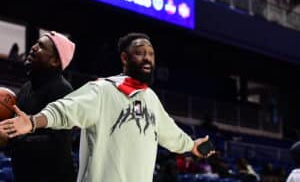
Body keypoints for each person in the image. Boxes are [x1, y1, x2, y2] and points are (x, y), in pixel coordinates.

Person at [1, 32, 215, 182]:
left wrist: (192, 145)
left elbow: (171, 134)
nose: (147, 58)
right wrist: (32, 121)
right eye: (140, 52)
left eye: (151, 54)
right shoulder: (102, 89)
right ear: (124, 57)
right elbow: (64, 110)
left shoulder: (151, 99)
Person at [6, 31, 76, 182]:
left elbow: (58, 144)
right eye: (36, 43)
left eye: (41, 46)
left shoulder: (63, 90)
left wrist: (10, 139)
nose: (33, 47)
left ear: (55, 61)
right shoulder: (26, 87)